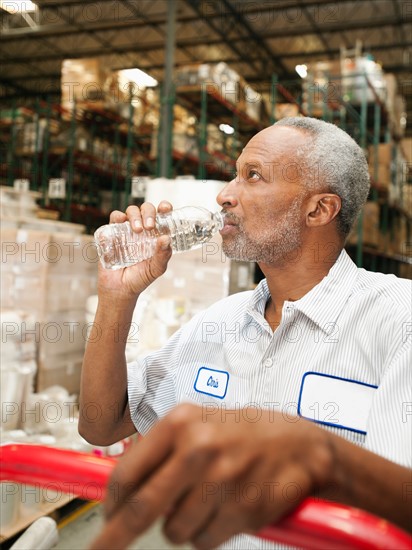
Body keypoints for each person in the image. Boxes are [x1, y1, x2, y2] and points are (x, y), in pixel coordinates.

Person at [80, 117, 412, 549]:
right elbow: (101, 424)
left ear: (319, 209)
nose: (224, 195)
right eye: (235, 174)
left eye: (252, 176)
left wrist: (324, 457)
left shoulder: (398, 319)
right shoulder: (220, 321)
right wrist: (116, 297)